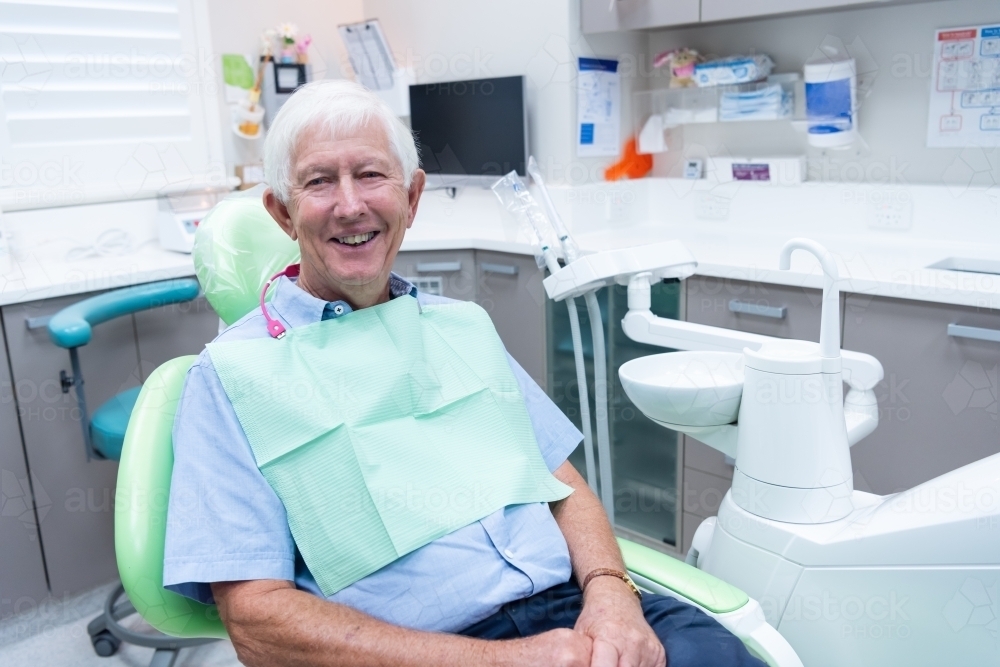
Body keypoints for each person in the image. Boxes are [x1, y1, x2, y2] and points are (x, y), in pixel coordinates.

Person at [163, 79, 764, 667]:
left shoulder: (461, 327)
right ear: (283, 213)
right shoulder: (231, 377)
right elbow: (257, 622)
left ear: (412, 198)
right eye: (319, 182)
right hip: (418, 649)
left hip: (579, 614)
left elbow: (563, 486)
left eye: (371, 174)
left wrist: (611, 595)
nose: (350, 205)